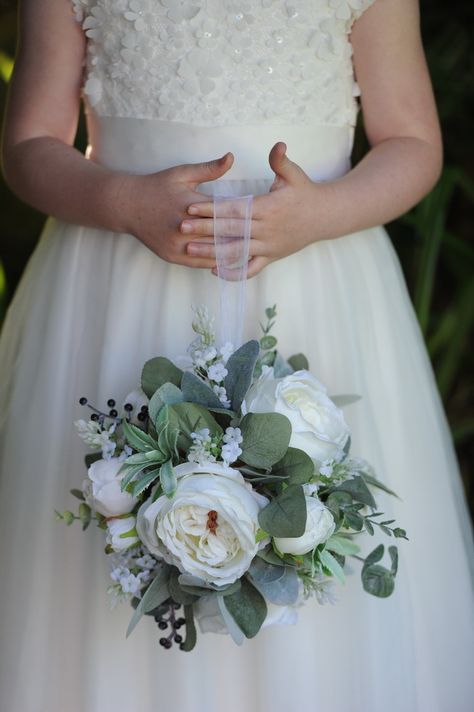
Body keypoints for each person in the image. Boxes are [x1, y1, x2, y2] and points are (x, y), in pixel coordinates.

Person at [0, 1, 473, 710]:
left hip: (312, 284)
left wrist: (320, 214)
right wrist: (122, 200)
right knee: (104, 539)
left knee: (314, 552)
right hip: (119, 284)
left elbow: (412, 141)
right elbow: (29, 145)